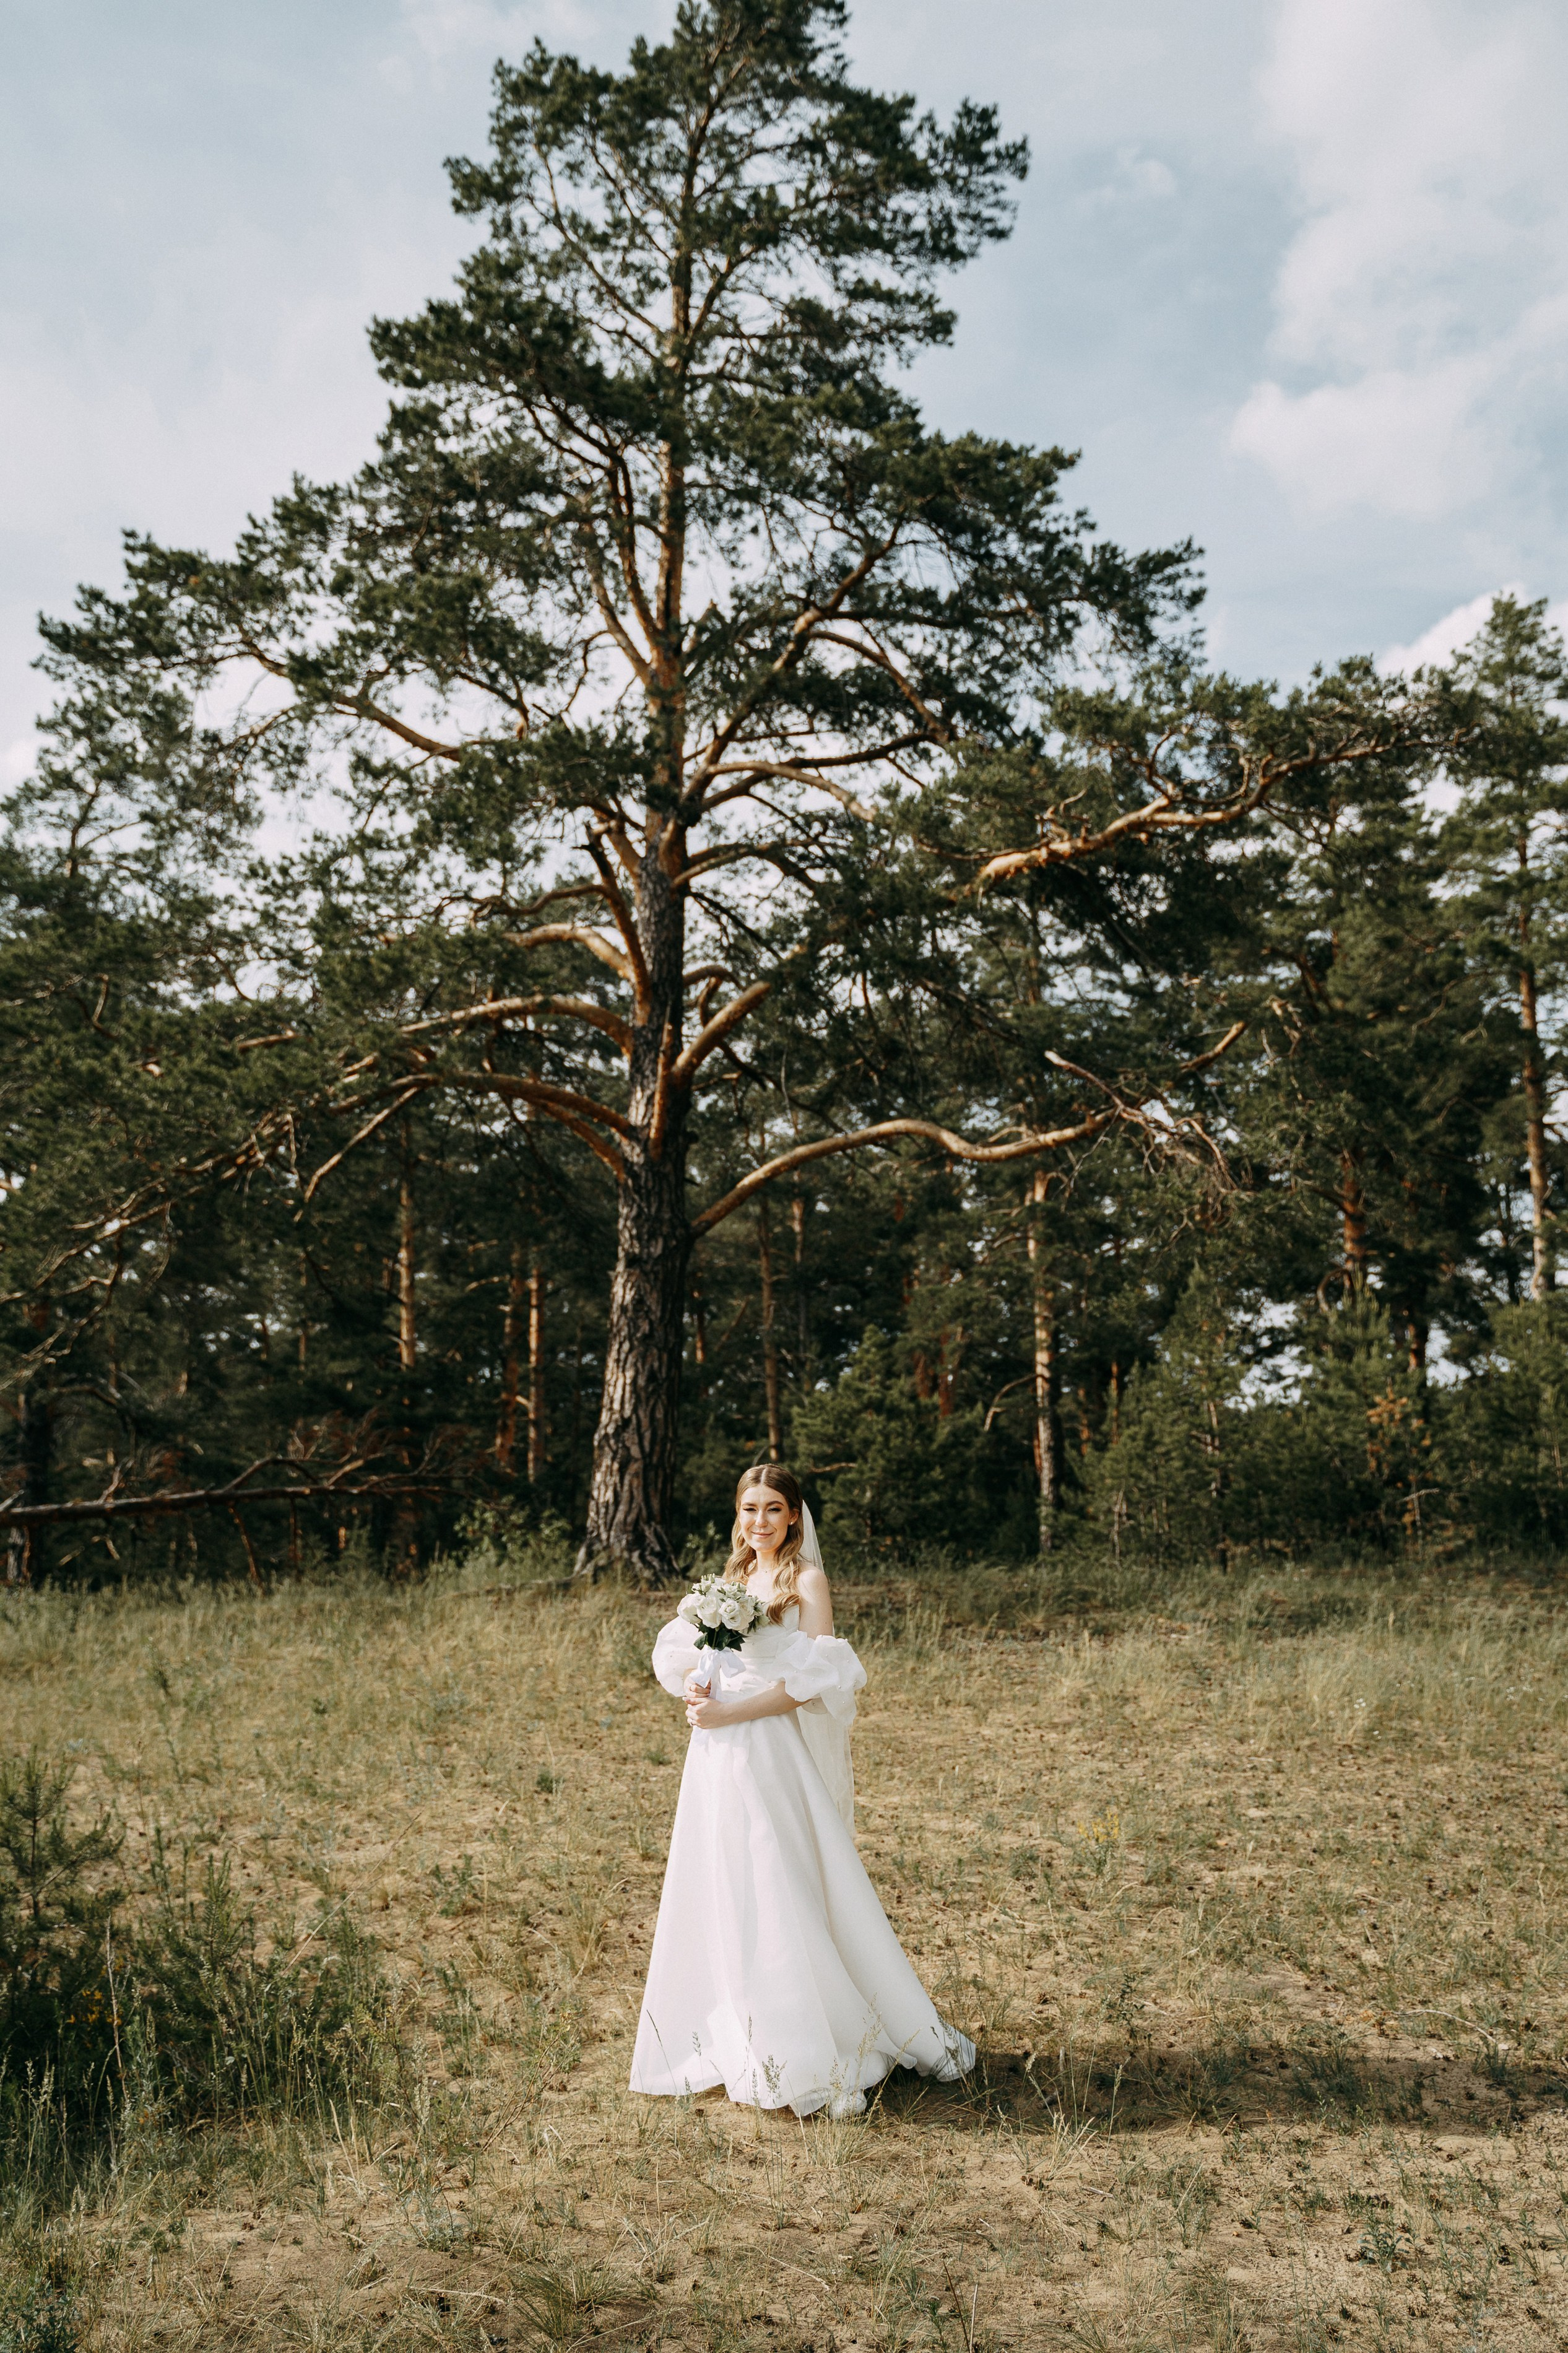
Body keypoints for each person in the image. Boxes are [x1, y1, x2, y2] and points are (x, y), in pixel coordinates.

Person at [628, 1463, 976, 2118]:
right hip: (714, 1751)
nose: (758, 1520)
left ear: (794, 1516)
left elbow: (817, 1677)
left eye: (772, 1509)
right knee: (723, 1875)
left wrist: (734, 1711)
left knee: (776, 1874)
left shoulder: (805, 1581)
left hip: (766, 1746)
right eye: (748, 1508)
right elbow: (709, 1654)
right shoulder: (728, 1581)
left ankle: (808, 2039)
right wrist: (701, 1688)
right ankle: (733, 2018)